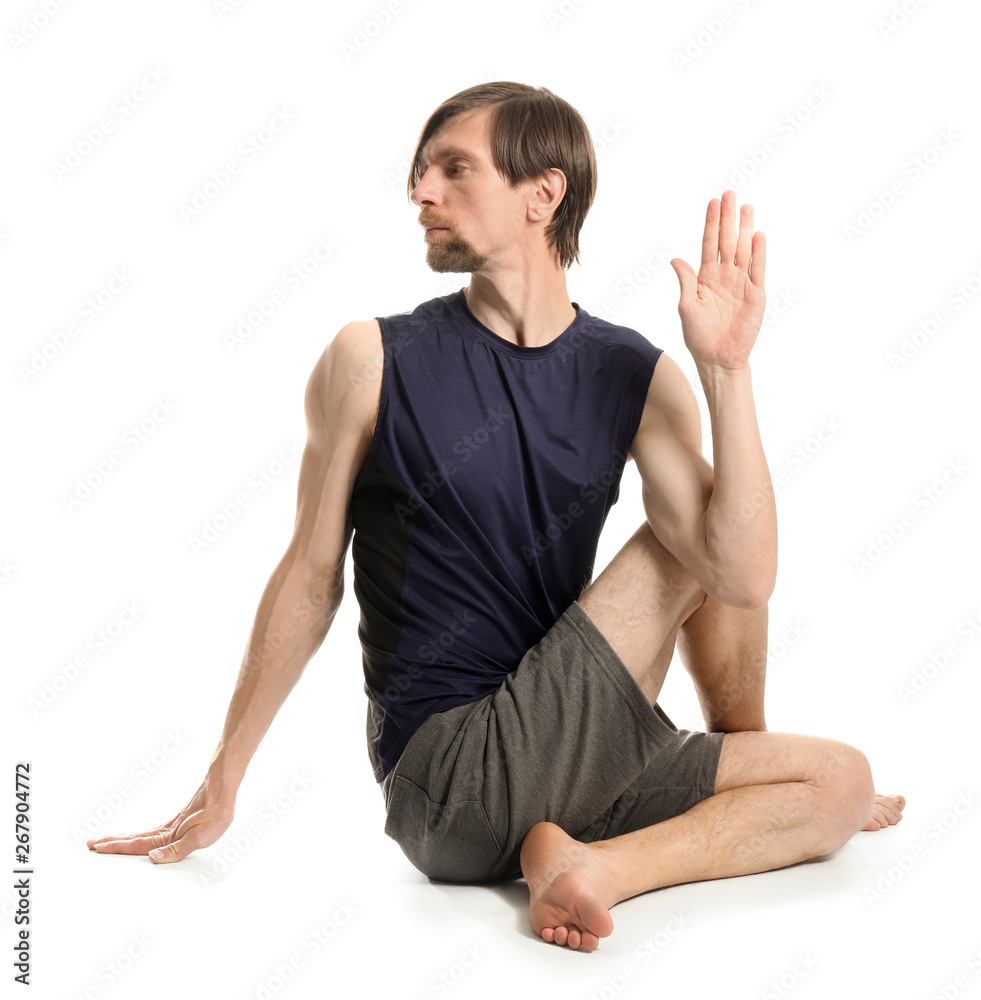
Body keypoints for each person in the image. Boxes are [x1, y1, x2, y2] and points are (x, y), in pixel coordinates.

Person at [87, 82, 905, 951]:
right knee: (695, 540)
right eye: (420, 174)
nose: (421, 193)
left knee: (839, 783)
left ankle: (594, 865)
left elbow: (746, 578)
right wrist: (225, 777)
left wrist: (726, 371)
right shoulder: (372, 358)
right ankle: (614, 826)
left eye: (453, 169)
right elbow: (309, 574)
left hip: (584, 759)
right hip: (449, 782)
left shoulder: (637, 375)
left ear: (541, 194)